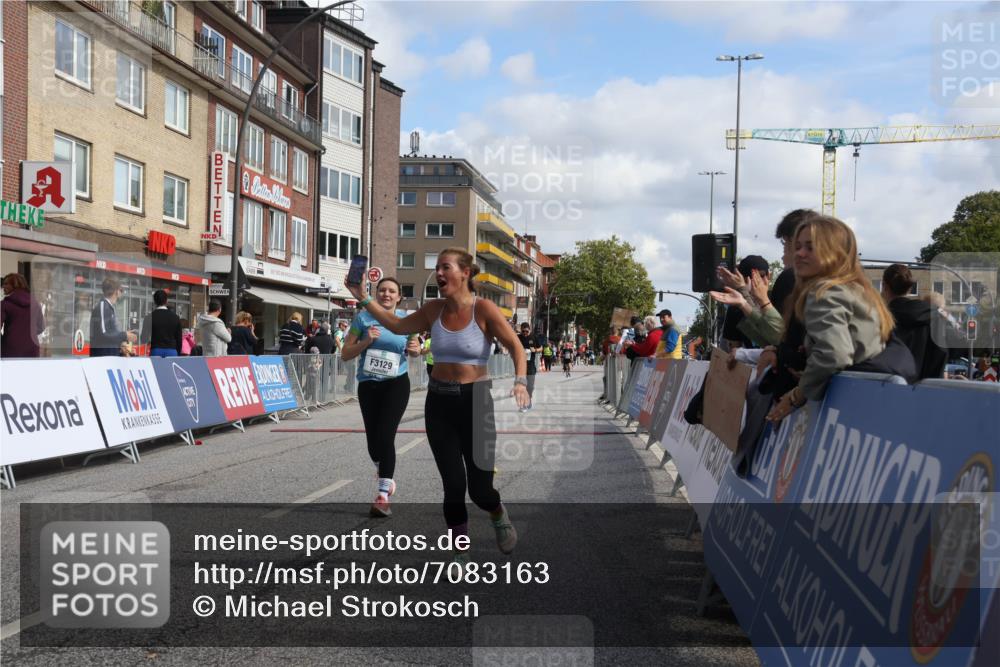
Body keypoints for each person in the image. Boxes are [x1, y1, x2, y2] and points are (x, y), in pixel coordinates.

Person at [345, 247, 528, 557]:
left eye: (445, 267)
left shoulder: (483, 309)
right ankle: (460, 553)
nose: (439, 273)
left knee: (480, 490)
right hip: (439, 402)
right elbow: (396, 325)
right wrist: (362, 295)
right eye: (438, 267)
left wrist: (521, 381)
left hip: (476, 403)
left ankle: (497, 513)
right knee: (453, 486)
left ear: (465, 273)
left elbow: (515, 346)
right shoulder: (433, 309)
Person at [766, 215, 915, 423]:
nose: (799, 253)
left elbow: (834, 353)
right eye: (797, 246)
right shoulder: (858, 289)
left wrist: (796, 395)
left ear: (835, 253)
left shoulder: (822, 292)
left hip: (855, 408)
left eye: (810, 247)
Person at [341, 278, 421, 517]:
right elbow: (346, 353)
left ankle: (383, 495)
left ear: (399, 297)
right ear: (376, 294)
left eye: (392, 291)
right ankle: (384, 467)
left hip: (396, 384)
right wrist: (367, 341)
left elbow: (415, 348)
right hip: (368, 385)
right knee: (373, 443)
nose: (386, 294)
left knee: (386, 436)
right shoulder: (362, 319)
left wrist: (416, 349)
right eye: (382, 290)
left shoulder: (406, 320)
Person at [880, 264, 947, 380]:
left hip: (888, 388)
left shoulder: (880, 318)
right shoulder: (934, 317)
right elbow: (940, 354)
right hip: (924, 390)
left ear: (885, 286)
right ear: (909, 288)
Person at [1, 273, 45, 358]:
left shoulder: (4, 304)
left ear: (15, 285)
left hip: (10, 349)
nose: (3, 287)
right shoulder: (35, 303)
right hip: (32, 349)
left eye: (6, 284)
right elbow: (41, 327)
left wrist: (4, 339)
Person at [89, 278, 136, 357]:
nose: (121, 294)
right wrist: (124, 335)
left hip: (108, 357)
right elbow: (103, 334)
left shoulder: (108, 307)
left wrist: (121, 346)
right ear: (116, 291)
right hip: (102, 359)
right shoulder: (103, 306)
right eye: (121, 290)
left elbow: (110, 334)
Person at [140, 289, 182, 357]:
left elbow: (144, 339)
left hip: (156, 351)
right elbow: (179, 339)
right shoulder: (176, 318)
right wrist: (178, 353)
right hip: (172, 351)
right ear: (166, 301)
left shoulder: (149, 318)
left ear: (154, 301)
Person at [517, 322, 542, 411]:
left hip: (531, 365)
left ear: (529, 330)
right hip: (521, 365)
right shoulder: (518, 337)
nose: (525, 334)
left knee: (530, 386)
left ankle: (529, 400)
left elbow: (541, 348)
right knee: (522, 385)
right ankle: (524, 404)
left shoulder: (533, 337)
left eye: (526, 331)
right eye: (523, 331)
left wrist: (534, 350)